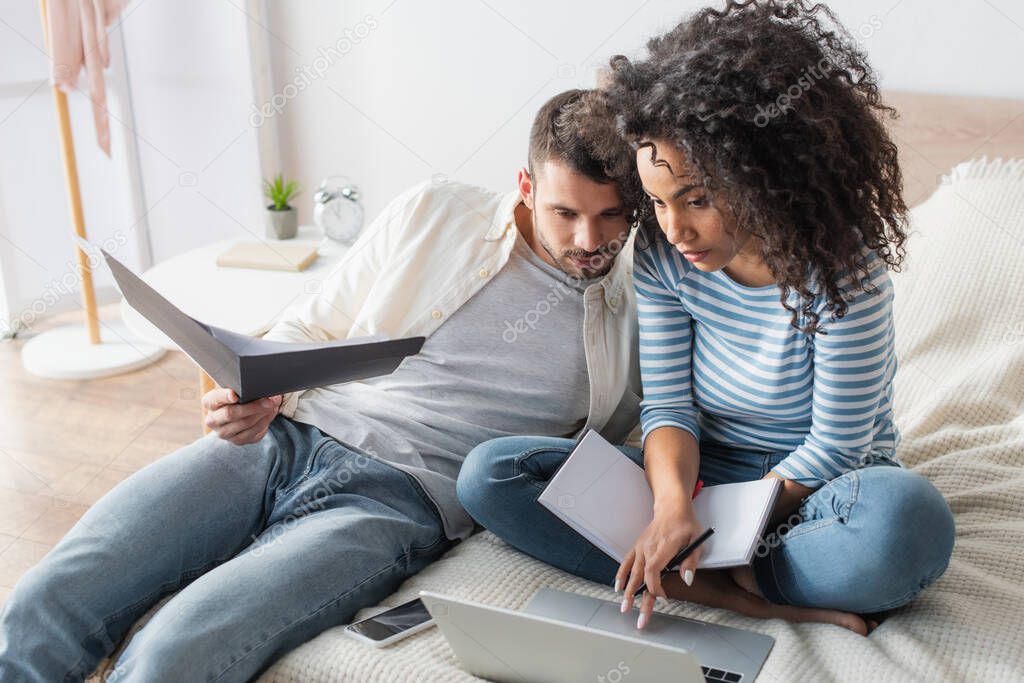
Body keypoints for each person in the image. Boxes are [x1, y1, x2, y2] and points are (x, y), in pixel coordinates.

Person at [0, 89, 644, 682]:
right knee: (50, 597)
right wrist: (255, 394)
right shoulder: (439, 210)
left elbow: (655, 426)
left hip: (396, 502)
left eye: (610, 216)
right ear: (527, 186)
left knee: (174, 652)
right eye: (566, 213)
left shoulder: (646, 300)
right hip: (283, 440)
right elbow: (316, 320)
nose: (589, 241)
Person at [457, 1, 955, 637]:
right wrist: (671, 508)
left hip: (811, 494)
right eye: (658, 202)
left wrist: (722, 526)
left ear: (766, 178)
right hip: (693, 475)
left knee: (906, 521)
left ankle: (715, 567)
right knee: (494, 473)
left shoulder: (844, 275)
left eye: (696, 199)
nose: (674, 227)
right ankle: (737, 593)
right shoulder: (665, 254)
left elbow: (835, 448)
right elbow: (668, 409)